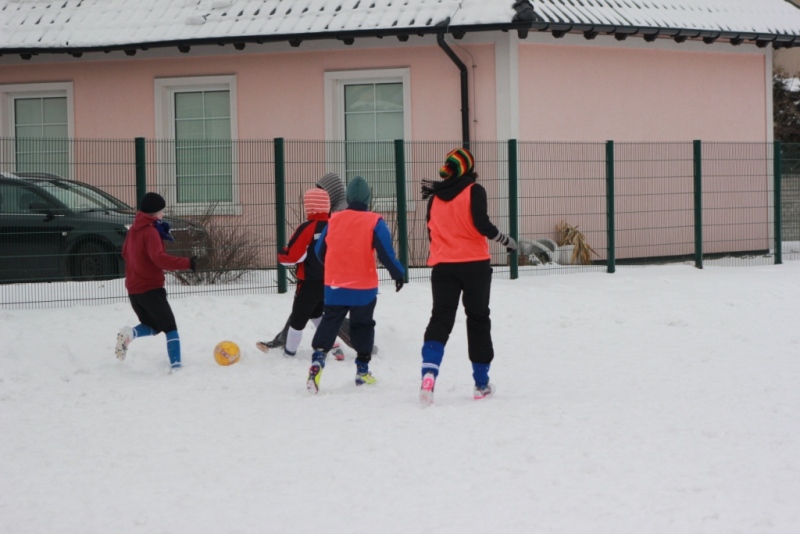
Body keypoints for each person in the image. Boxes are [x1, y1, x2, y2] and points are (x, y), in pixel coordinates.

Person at [417, 148, 517, 406]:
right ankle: (481, 383)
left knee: (440, 318)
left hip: (443, 267)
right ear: (468, 169)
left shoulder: (435, 198)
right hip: (474, 266)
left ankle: (428, 374)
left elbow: (431, 231)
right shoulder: (474, 190)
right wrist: (507, 241)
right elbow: (482, 224)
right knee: (478, 319)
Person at [256, 172, 375, 357]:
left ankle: (360, 344)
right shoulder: (334, 212)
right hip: (333, 275)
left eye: (322, 190)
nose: (320, 195)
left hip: (335, 275)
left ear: (332, 192)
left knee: (324, 313)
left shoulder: (340, 213)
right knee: (314, 311)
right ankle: (289, 341)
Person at [306, 176, 405, 394]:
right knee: (363, 325)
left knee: (329, 323)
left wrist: (334, 269)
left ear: (348, 198)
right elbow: (386, 252)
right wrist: (398, 273)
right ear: (368, 198)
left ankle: (317, 361)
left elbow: (319, 251)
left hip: (335, 285)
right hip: (363, 286)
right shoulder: (375, 221)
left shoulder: (334, 220)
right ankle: (362, 371)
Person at [115, 192, 196, 371]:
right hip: (150, 288)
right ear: (153, 214)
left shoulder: (133, 230)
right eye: (161, 212)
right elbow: (159, 259)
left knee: (153, 326)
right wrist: (188, 262)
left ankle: (130, 334)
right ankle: (177, 367)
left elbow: (124, 254)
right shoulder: (150, 232)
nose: (163, 215)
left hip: (134, 290)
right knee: (170, 328)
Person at [273, 188, 332, 357]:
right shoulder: (334, 226)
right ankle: (333, 346)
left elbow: (293, 256)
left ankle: (289, 353)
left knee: (298, 320)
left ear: (309, 207)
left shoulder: (307, 228)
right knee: (317, 314)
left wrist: (282, 253)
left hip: (308, 283)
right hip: (329, 282)